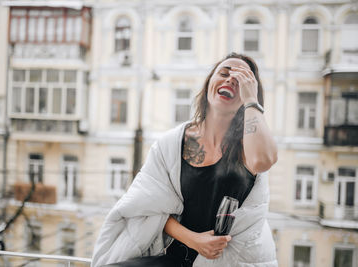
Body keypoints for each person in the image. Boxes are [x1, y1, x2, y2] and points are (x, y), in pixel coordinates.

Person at [91, 53, 279, 267]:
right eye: (224, 73)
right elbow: (145, 206)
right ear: (209, 82)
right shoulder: (171, 144)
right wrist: (194, 240)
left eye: (241, 80)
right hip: (177, 258)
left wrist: (251, 100)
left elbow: (263, 161)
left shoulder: (250, 146)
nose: (230, 80)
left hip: (228, 262)